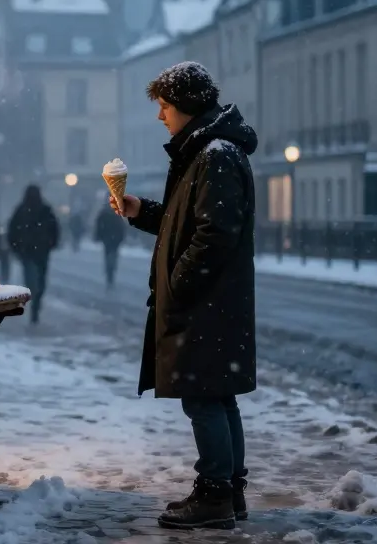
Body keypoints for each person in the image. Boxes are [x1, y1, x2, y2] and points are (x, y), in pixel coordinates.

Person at [108, 61, 257, 531]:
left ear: (186, 106)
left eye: (165, 107)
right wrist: (142, 210)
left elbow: (214, 234)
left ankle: (215, 495)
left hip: (206, 302)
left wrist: (180, 282)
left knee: (203, 398)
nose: (160, 116)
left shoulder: (214, 155)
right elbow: (185, 221)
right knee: (217, 396)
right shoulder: (206, 151)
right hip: (214, 300)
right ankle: (228, 492)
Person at [6, 185, 59, 323]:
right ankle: (36, 302)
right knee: (39, 281)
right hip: (36, 251)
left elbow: (12, 230)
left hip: (31, 251)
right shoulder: (43, 210)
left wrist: (15, 246)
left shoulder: (25, 210)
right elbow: (54, 229)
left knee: (34, 281)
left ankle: (35, 301)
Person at [93, 197, 126, 287]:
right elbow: (121, 227)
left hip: (108, 238)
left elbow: (99, 225)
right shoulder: (116, 213)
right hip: (113, 238)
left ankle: (109, 271)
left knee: (108, 254)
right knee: (112, 254)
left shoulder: (104, 212)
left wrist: (98, 236)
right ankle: (111, 270)